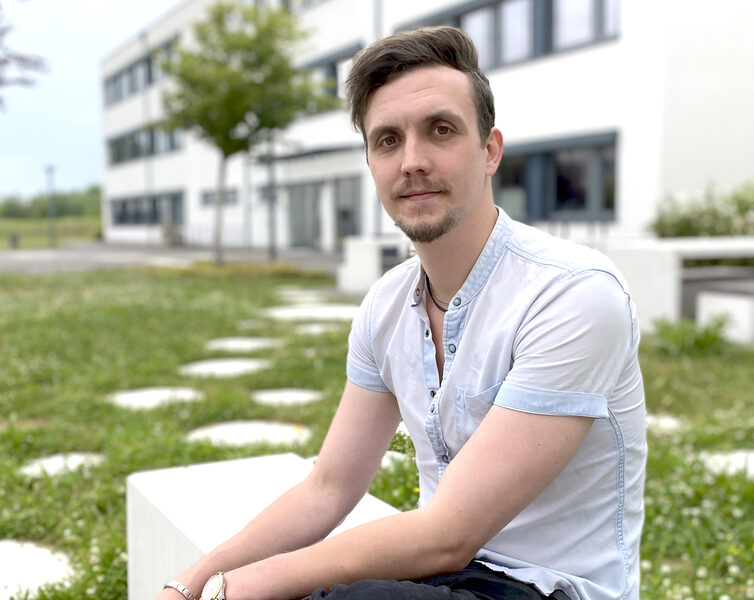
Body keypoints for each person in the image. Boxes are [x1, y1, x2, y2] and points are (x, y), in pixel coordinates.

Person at [156, 26, 646, 600]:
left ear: (489, 151)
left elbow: (448, 534)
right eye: (387, 140)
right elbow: (329, 487)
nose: (412, 161)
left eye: (440, 131)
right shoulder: (387, 306)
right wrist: (190, 584)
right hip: (439, 577)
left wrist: (235, 591)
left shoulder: (572, 294)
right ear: (370, 163)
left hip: (547, 588)